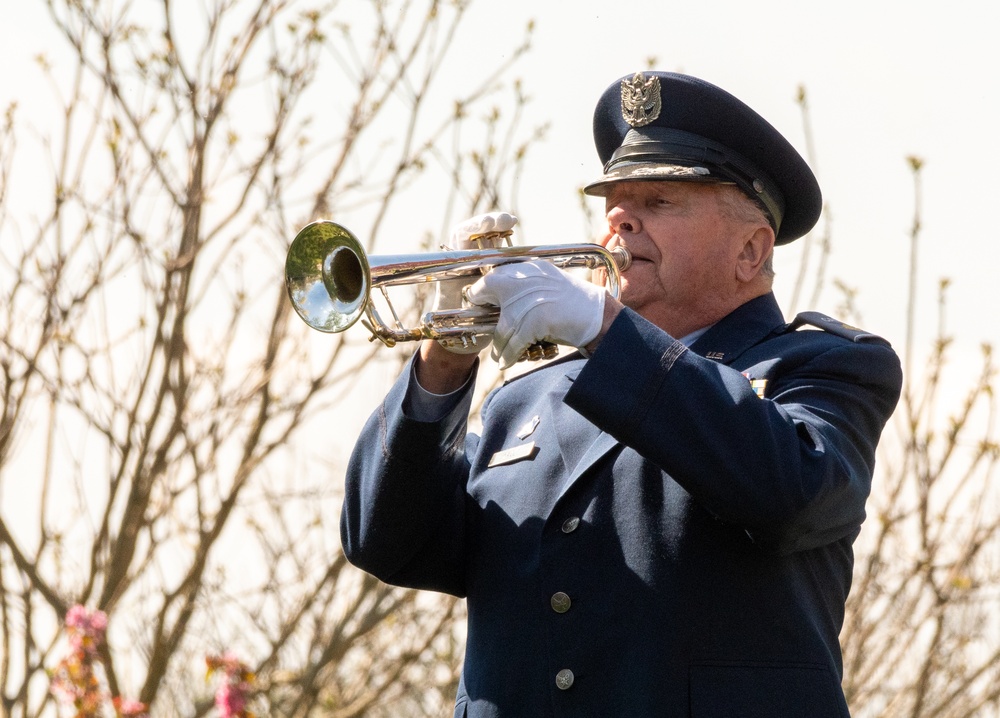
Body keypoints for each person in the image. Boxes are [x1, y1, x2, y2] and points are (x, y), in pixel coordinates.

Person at [340, 71, 903, 717]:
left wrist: (605, 330)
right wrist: (441, 364)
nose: (619, 220)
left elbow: (792, 494)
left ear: (751, 249)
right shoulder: (522, 402)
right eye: (612, 204)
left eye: (660, 202)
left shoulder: (824, 366)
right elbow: (386, 543)